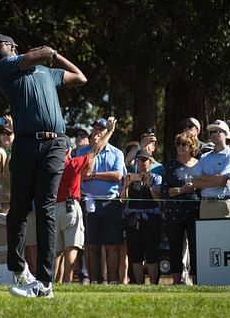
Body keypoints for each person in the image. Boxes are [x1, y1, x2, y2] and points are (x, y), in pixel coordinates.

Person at [0, 33, 87, 297]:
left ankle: (45, 283)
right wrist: (46, 51)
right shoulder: (5, 67)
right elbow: (37, 55)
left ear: (13, 46)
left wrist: (54, 55)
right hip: (25, 144)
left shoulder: (47, 71)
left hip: (54, 144)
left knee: (46, 208)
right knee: (19, 207)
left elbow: (80, 77)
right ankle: (19, 269)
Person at [54, 116, 116, 284]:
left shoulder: (50, 166)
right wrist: (109, 131)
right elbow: (94, 152)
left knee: (57, 252)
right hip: (69, 208)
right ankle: (67, 283)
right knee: (71, 248)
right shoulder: (72, 163)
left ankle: (54, 284)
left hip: (53, 210)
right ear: (68, 150)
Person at [78, 117, 127, 285]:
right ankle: (93, 281)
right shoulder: (83, 152)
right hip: (89, 202)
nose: (97, 131)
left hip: (110, 203)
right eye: (95, 128)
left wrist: (93, 176)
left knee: (112, 245)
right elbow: (82, 174)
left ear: (107, 132)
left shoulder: (117, 153)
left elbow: (117, 176)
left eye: (101, 129)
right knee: (91, 245)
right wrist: (91, 173)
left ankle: (112, 281)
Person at [161, 132, 200, 285]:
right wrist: (182, 190)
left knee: (196, 247)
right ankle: (177, 282)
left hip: (195, 211)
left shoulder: (199, 164)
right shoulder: (170, 165)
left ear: (192, 147)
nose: (180, 147)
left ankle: (197, 280)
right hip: (175, 212)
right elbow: (165, 191)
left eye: (184, 144)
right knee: (175, 247)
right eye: (178, 144)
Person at [121, 151, 162, 284]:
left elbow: (159, 199)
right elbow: (123, 199)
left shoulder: (156, 178)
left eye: (143, 160)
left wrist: (150, 186)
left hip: (151, 218)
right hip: (134, 219)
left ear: (150, 162)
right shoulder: (132, 178)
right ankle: (139, 284)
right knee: (135, 255)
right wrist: (126, 185)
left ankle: (154, 284)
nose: (140, 164)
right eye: (138, 161)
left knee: (152, 254)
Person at [191, 120, 230, 219]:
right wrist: (216, 180)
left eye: (217, 131)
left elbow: (222, 180)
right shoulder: (204, 157)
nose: (213, 134)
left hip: (223, 203)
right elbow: (194, 182)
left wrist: (203, 178)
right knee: (205, 235)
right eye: (211, 132)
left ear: (226, 134)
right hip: (205, 204)